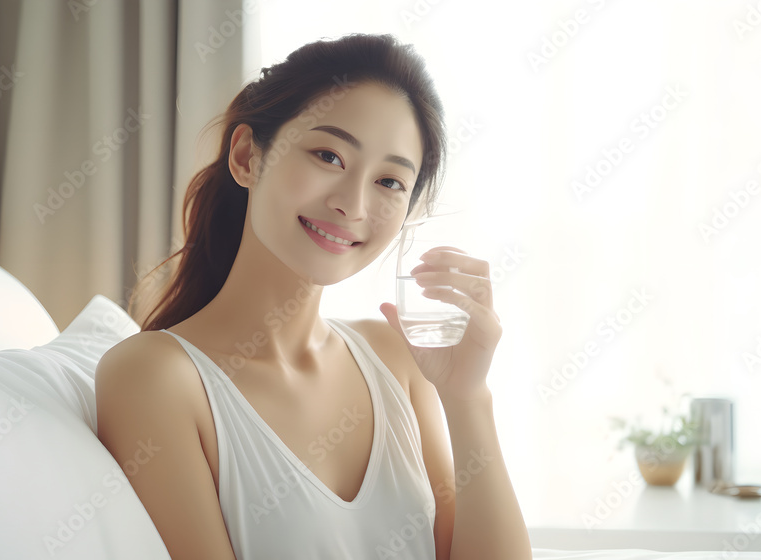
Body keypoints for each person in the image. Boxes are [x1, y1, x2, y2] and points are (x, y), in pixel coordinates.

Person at [95, 33, 531, 560]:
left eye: (390, 182)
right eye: (329, 155)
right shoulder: (155, 376)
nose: (352, 204)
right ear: (246, 157)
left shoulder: (393, 356)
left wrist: (467, 399)